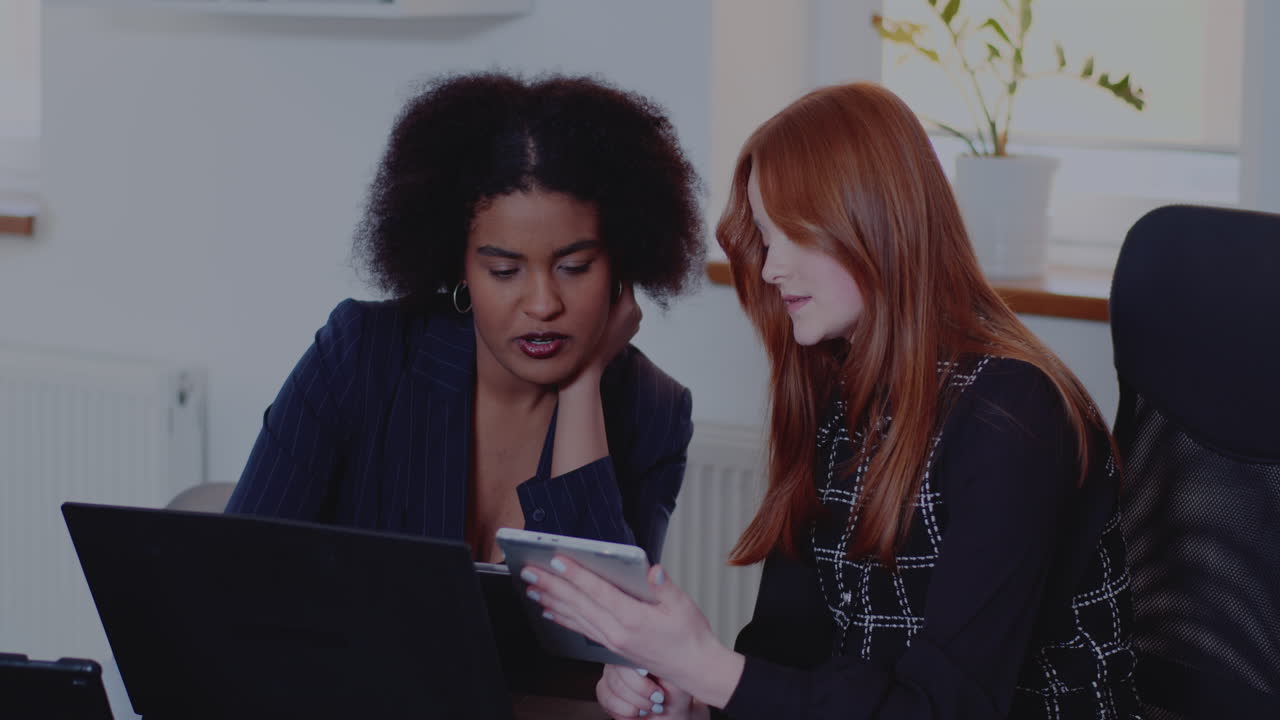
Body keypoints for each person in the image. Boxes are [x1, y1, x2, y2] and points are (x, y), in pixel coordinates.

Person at [523, 82, 1142, 719]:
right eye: (766, 238)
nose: (769, 269)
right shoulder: (842, 397)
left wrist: (707, 667)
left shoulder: (1012, 413)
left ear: (875, 222)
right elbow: (786, 651)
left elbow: (944, 708)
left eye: (793, 234)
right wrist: (690, 697)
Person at [225, 72, 704, 566]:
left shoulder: (653, 411)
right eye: (504, 270)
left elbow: (604, 630)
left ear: (621, 264)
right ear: (461, 267)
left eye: (574, 268)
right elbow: (236, 572)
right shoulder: (359, 356)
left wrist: (582, 389)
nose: (542, 304)